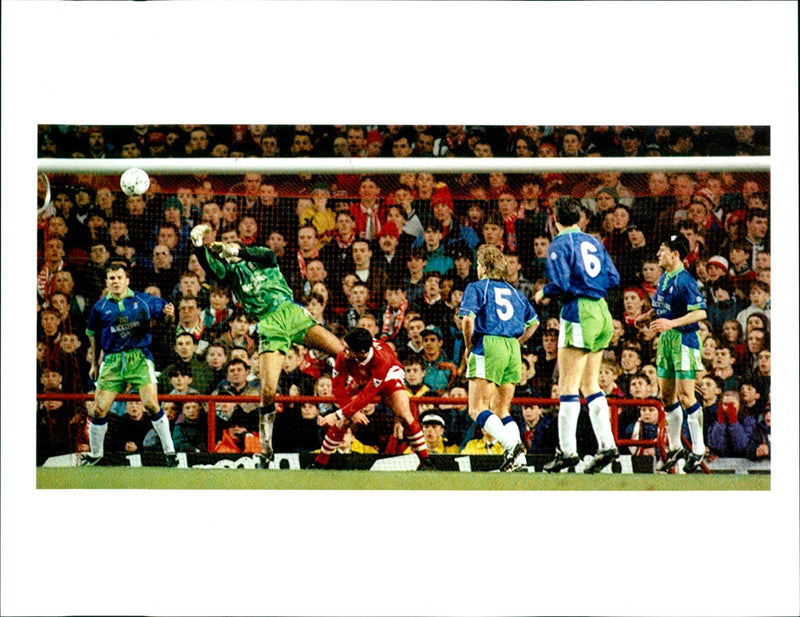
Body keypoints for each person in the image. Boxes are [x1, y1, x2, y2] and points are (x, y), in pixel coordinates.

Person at [190, 223, 344, 467]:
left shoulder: (262, 259)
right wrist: (199, 247)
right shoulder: (231, 275)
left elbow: (269, 254)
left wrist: (236, 251)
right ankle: (266, 448)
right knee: (268, 391)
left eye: (236, 247)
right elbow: (211, 267)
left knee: (341, 352)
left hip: (292, 313)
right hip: (270, 326)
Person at [534, 196, 621, 474]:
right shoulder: (594, 241)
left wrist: (543, 292)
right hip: (602, 312)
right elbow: (614, 278)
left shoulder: (559, 243)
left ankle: (567, 451)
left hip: (579, 311)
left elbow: (558, 283)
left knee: (567, 385)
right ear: (580, 218)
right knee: (590, 384)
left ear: (554, 218)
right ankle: (607, 444)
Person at [81, 261, 178, 466]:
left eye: (119, 277)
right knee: (98, 410)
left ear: (127, 280)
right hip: (112, 361)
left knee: (151, 405)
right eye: (111, 278)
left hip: (139, 358)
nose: (115, 281)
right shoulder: (100, 308)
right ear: (107, 282)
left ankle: (170, 452)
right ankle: (96, 454)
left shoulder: (144, 301)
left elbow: (166, 321)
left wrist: (170, 315)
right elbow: (94, 336)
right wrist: (94, 364)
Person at [460, 244, 539, 472]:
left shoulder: (477, 287)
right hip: (512, 347)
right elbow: (533, 323)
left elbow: (467, 320)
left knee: (476, 408)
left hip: (488, 344)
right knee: (502, 409)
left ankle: (510, 445)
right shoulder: (515, 292)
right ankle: (520, 461)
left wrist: (468, 346)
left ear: (483, 267)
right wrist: (516, 343)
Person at [635, 233, 708, 473]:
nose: (658, 254)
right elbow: (661, 308)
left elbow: (700, 313)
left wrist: (671, 323)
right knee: (667, 397)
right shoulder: (665, 277)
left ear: (674, 254)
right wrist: (646, 317)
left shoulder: (686, 280)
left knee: (686, 396)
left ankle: (698, 448)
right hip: (666, 341)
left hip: (685, 340)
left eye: (662, 250)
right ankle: (675, 447)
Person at [314, 327, 433, 469]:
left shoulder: (383, 359)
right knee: (343, 421)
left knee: (404, 415)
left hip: (388, 375)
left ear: (361, 352)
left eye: (348, 349)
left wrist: (337, 414)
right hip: (361, 376)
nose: (343, 351)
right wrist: (350, 413)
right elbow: (337, 388)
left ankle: (425, 461)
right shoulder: (344, 356)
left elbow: (368, 394)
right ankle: (319, 462)